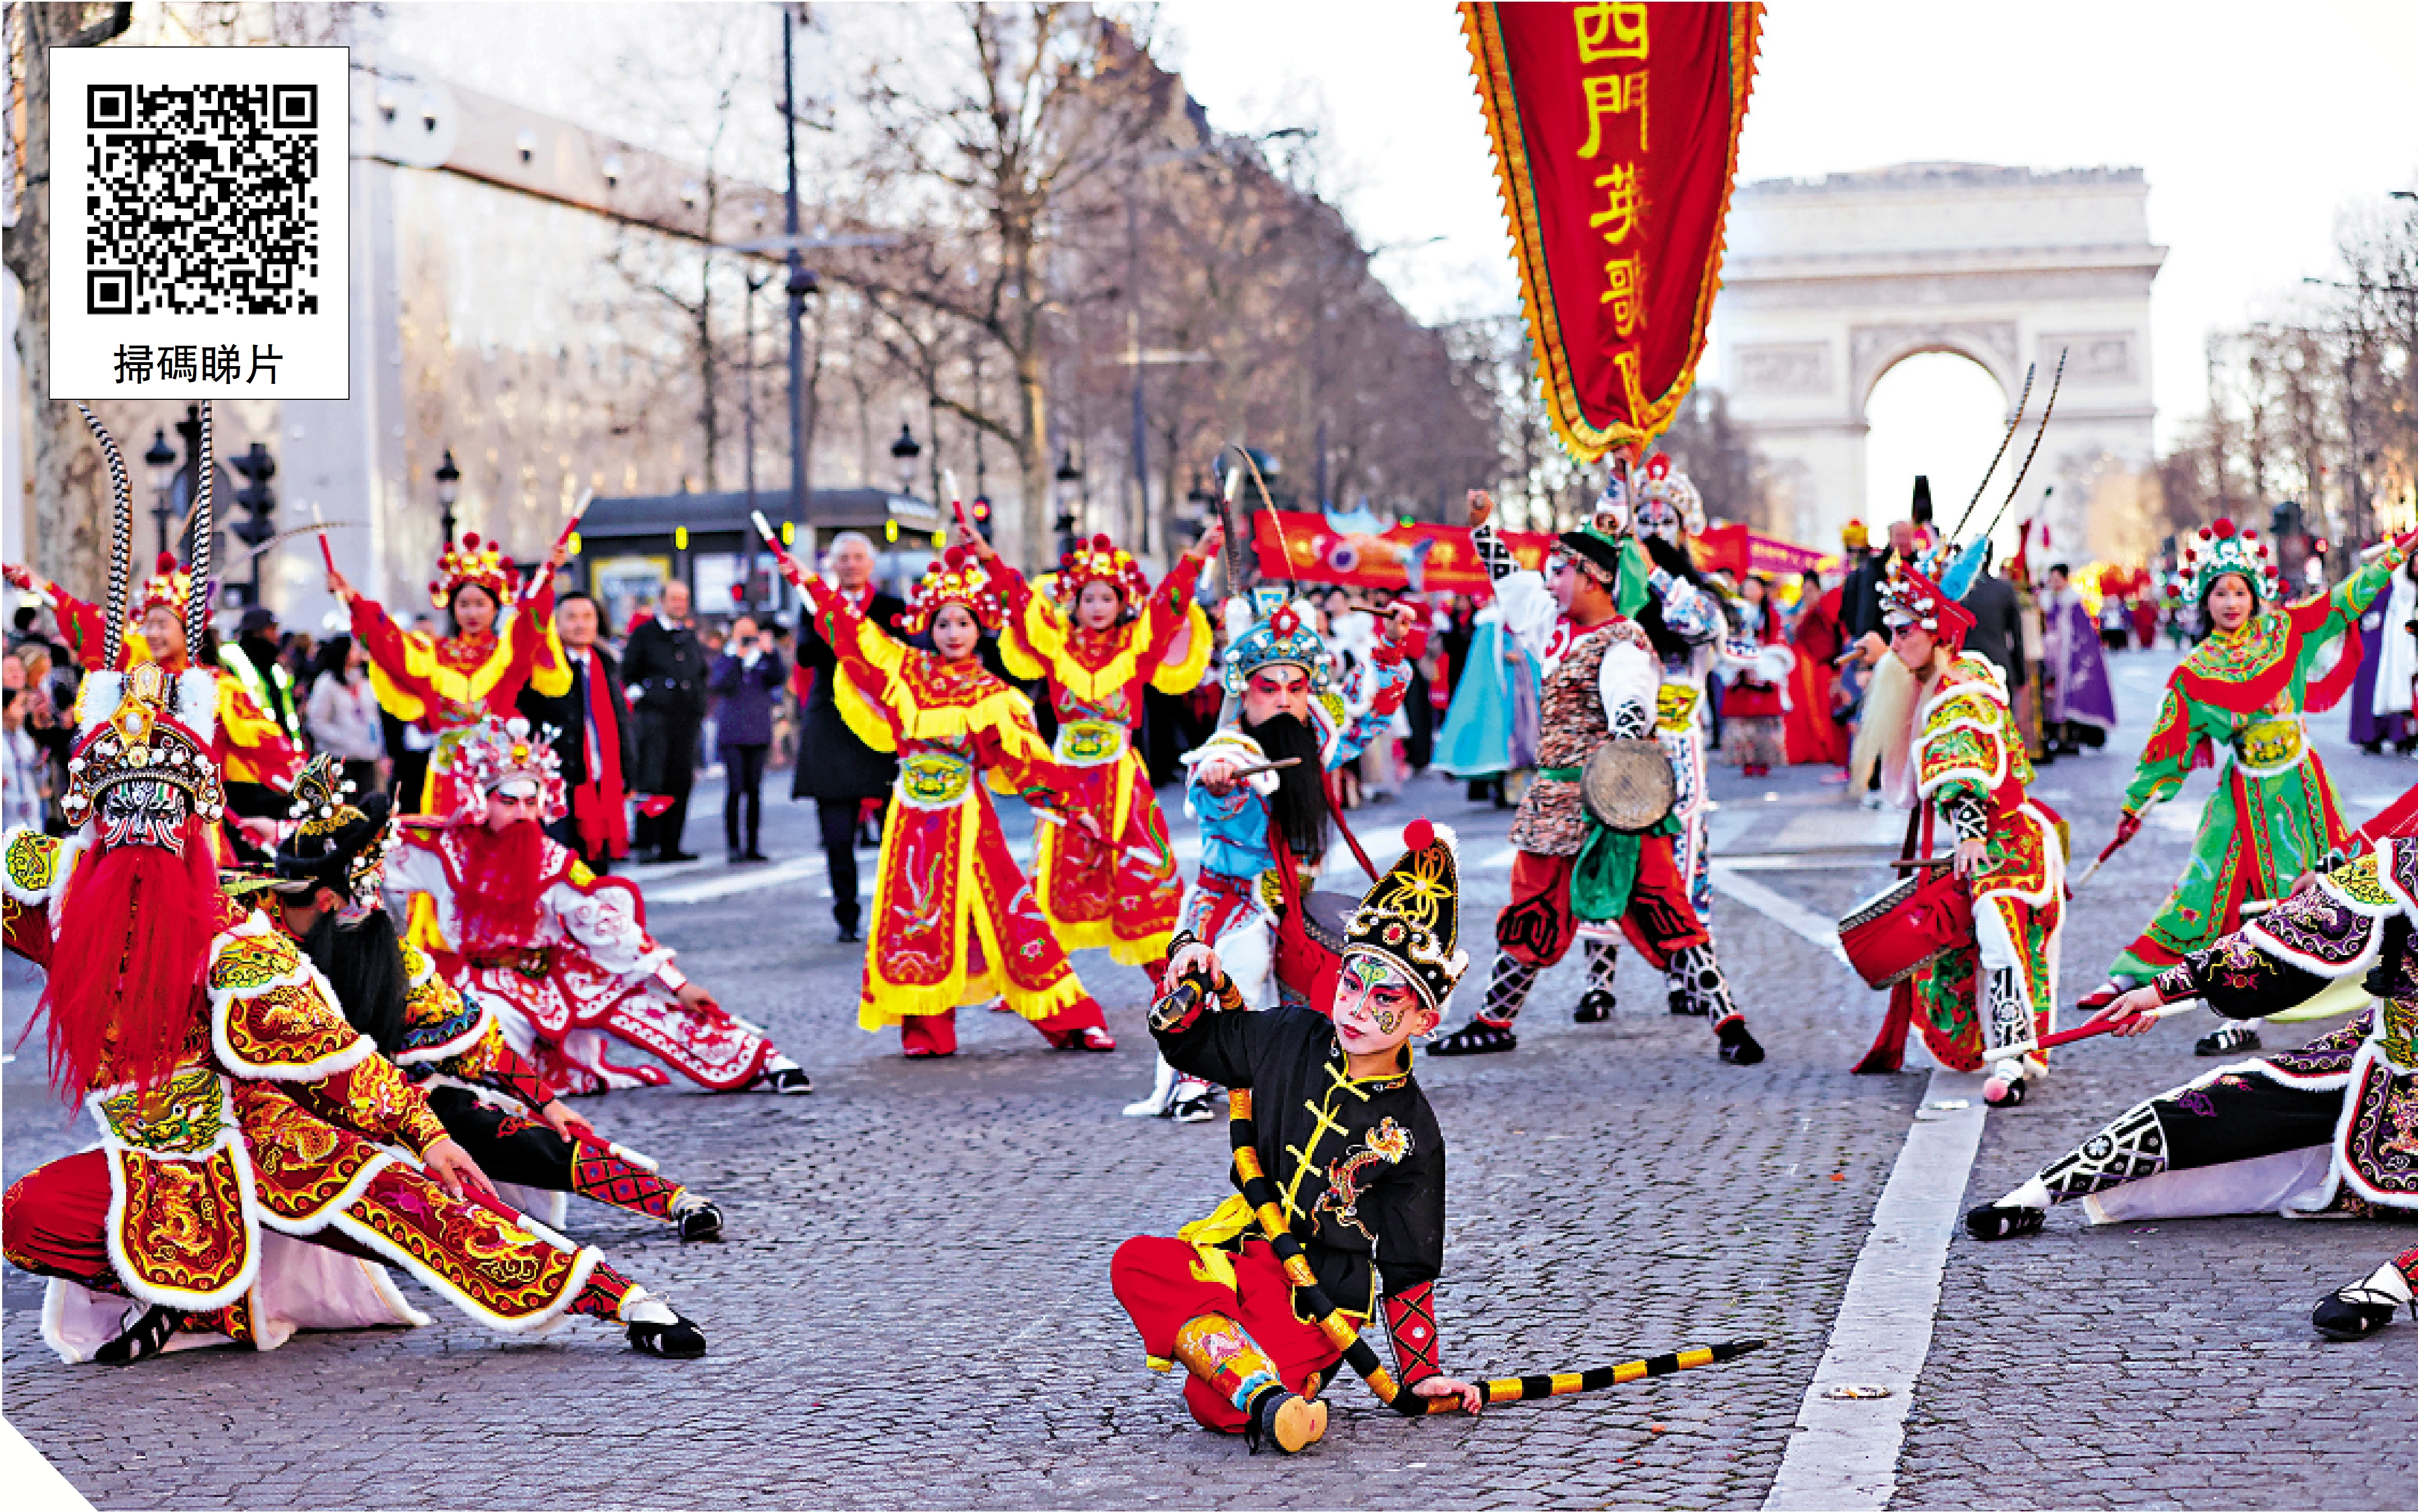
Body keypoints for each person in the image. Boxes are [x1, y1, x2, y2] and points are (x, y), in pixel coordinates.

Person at [0, 658, 705, 1364]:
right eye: (121, 818)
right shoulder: (59, 903)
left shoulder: (236, 942)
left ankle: (615, 1293)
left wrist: (428, 1134)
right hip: (143, 1154)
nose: (138, 839)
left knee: (426, 1200)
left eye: (156, 819)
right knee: (25, 1213)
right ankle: (209, 1303)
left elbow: (345, 1062)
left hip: (257, 1132)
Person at [1109, 820, 1483, 1452]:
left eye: (1384, 996)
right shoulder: (1290, 1033)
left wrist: (1418, 1377)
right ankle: (1271, 1396)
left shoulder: (1415, 1133)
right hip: (1245, 1255)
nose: (1357, 1009)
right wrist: (1189, 968)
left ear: (1425, 1017)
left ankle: (1262, 1391)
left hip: (1319, 1303)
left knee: (1212, 1404)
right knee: (1136, 1261)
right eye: (1350, 984)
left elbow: (1407, 1264)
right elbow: (1198, 1045)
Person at [262, 756, 727, 1242]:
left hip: (401, 1094)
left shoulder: (396, 957)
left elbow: (470, 1040)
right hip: (284, 1108)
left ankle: (671, 1199)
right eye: (509, 800)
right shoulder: (253, 941)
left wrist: (545, 1101)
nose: (370, 909)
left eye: (531, 801)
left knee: (517, 1135)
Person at [1427, 491, 1763, 1064]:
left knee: (1664, 908)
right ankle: (1493, 1021)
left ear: (1591, 578)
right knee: (1531, 910)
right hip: (1556, 800)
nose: (1549, 581)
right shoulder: (1555, 630)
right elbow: (1515, 589)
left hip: (1612, 800)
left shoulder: (1624, 642)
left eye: (1559, 572)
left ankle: (1728, 1023)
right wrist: (1484, 532)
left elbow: (1630, 702)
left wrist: (1629, 740)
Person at [1961, 837, 2415, 1261]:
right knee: (2222, 1099)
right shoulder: (2407, 861)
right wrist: (2165, 990)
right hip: (2390, 1059)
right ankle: (2035, 1195)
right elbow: (2296, 935)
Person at [2078, 522, 2412, 1057]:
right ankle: (2149, 983)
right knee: (2213, 890)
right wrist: (2137, 802)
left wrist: (2396, 553)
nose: (2231, 602)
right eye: (2219, 592)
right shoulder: (2194, 671)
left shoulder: (2287, 631)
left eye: (2238, 590)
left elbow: (2347, 599)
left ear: (2254, 594)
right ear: (2203, 600)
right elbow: (2169, 746)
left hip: (2304, 789)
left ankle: (2379, 978)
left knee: (2339, 883)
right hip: (2245, 794)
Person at [775, 544, 1116, 1058]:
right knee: (916, 918)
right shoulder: (904, 673)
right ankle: (926, 1032)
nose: (953, 633)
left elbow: (1032, 763)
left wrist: (1074, 809)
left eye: (963, 623)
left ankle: (1072, 1020)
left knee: (1011, 917)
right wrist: (808, 582)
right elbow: (851, 634)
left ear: (980, 629)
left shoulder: (995, 696)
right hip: (913, 823)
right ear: (927, 629)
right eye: (943, 624)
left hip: (969, 822)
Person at [383, 713, 812, 1095]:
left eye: (531, 803)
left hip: (555, 976)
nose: (521, 815)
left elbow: (610, 928)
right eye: (507, 802)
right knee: (483, 1060)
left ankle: (765, 1061)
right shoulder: (445, 853)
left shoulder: (553, 862)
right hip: (479, 986)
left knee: (650, 1012)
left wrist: (679, 985)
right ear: (482, 800)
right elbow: (376, 861)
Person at [1125, 584, 1422, 1120]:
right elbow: (1210, 786)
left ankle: (1313, 1070)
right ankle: (1198, 1079)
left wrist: (1391, 644)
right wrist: (1219, 784)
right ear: (1245, 691)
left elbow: (1369, 711)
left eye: (1296, 686)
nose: (1284, 698)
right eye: (1269, 687)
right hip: (1233, 898)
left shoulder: (1314, 732)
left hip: (1292, 899)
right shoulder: (1229, 749)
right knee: (1235, 964)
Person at [1850, 557, 2063, 1106]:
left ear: (1935, 633)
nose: (1896, 643)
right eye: (1891, 632)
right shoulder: (1956, 672)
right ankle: (2008, 1050)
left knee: (1999, 945)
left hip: (2000, 843)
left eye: (1904, 632)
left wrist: (1968, 833)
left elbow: (1962, 768)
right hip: (1995, 838)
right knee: (1979, 946)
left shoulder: (1957, 694)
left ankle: (2012, 1057)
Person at [971, 524, 1217, 985]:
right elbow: (1019, 601)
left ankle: (1167, 975)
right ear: (1074, 603)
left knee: (1140, 872)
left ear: (1123, 603)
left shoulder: (1137, 647)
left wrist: (1197, 556)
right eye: (1089, 598)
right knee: (1050, 877)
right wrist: (987, 555)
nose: (1098, 607)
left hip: (1121, 782)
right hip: (1067, 784)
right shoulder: (1056, 646)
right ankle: (1035, 973)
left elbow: (1169, 606)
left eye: (1108, 598)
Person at [11, 552, 306, 841]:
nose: (152, 634)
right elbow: (95, 629)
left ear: (189, 630)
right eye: (148, 625)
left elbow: (268, 744)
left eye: (162, 625)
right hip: (128, 827)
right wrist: (41, 587)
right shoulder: (136, 673)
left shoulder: (219, 688)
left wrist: (311, 787)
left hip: (195, 834)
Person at [327, 530, 574, 816]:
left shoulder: (509, 652)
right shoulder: (433, 655)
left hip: (499, 770)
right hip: (447, 770)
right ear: (452, 607)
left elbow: (533, 622)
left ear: (495, 607)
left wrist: (548, 574)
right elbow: (389, 646)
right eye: (464, 604)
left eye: (481, 604)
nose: (473, 613)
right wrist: (353, 599)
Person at [790, 533, 905, 942]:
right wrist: (838, 625)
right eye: (844, 558)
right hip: (832, 726)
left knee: (899, 833)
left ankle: (900, 913)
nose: (852, 564)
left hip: (884, 728)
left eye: (859, 557)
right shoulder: (816, 608)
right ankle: (846, 914)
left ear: (870, 564)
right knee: (837, 836)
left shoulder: (895, 609)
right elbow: (806, 655)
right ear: (833, 565)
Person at [518, 590, 635, 873]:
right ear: (556, 624)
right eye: (571, 618)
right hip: (558, 778)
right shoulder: (542, 666)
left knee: (597, 869)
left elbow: (621, 722)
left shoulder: (607, 664)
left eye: (587, 617)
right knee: (559, 864)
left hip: (601, 776)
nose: (580, 625)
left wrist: (629, 772)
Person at [622, 581, 710, 863]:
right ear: (662, 601)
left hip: (685, 720)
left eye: (683, 599)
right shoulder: (645, 634)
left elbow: (700, 671)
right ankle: (647, 843)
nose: (679, 604)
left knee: (680, 781)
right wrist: (644, 695)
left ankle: (672, 843)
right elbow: (628, 672)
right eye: (674, 599)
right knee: (652, 780)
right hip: (654, 719)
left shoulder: (688, 636)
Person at [708, 613, 785, 864]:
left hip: (758, 733)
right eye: (742, 633)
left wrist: (770, 652)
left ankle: (752, 845)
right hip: (733, 734)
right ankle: (733, 846)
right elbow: (719, 684)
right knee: (735, 790)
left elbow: (779, 677)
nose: (747, 638)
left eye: (750, 632)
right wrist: (737, 657)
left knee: (754, 792)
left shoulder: (763, 659)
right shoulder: (726, 658)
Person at [2037, 564, 2114, 757]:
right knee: (2051, 698)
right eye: (2052, 579)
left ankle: (2071, 739)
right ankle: (2055, 736)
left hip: (2071, 660)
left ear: (2065, 579)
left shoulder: (2074, 604)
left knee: (2071, 699)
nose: (2054, 583)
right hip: (2051, 658)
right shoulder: (2047, 602)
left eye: (2058, 579)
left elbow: (2084, 637)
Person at [1721, 575, 1791, 778]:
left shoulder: (1771, 615)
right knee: (1741, 721)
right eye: (1748, 587)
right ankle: (1745, 761)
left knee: (1764, 722)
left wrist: (1765, 659)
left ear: (1763, 592)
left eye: (1755, 587)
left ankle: (1764, 761)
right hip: (1740, 670)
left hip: (1764, 669)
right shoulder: (1734, 612)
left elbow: (1778, 641)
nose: (1751, 591)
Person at [2348, 550, 2417, 754]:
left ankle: (2403, 735)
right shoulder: (2383, 580)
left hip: (2404, 641)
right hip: (2378, 639)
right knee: (2371, 682)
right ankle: (2371, 735)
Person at [304, 634, 387, 796]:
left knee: (367, 805)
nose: (358, 652)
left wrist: (380, 749)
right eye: (354, 648)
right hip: (339, 758)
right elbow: (317, 723)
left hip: (367, 756)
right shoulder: (326, 683)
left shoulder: (364, 681)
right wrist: (344, 739)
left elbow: (374, 718)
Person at [1784, 569, 1850, 767]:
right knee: (1804, 706)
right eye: (1805, 589)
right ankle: (1807, 748)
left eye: (1812, 589)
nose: (1808, 593)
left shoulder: (1825, 608)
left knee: (1823, 703)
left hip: (1822, 664)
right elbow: (1790, 635)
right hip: (1803, 663)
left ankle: (1826, 747)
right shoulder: (1797, 610)